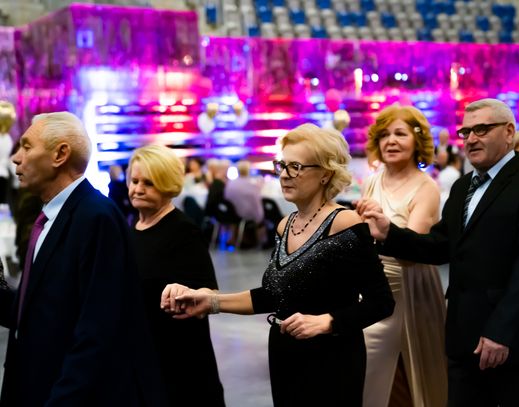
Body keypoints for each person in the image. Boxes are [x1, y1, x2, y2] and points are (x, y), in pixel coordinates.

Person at [162, 123, 395, 407]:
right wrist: (210, 302)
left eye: (295, 167)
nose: (284, 174)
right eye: (282, 165)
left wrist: (327, 322)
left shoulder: (346, 224)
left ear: (325, 174)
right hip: (285, 352)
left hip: (331, 358)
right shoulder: (286, 225)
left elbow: (381, 302)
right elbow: (273, 295)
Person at [358, 98, 519, 406]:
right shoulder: (463, 186)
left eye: (482, 129)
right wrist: (389, 233)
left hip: (512, 340)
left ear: (509, 132)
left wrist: (500, 332)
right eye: (466, 132)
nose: (471, 139)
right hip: (462, 336)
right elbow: (440, 246)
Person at [4, 112, 166, 406]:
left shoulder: (96, 217)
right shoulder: (51, 217)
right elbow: (40, 309)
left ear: (60, 154)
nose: (16, 158)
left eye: (26, 147)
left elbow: (98, 328)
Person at [361, 105, 447, 407]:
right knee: (368, 369)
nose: (391, 141)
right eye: (384, 135)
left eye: (400, 133)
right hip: (371, 286)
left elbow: (412, 252)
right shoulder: (372, 181)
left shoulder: (426, 188)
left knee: (406, 378)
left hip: (409, 288)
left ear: (417, 140)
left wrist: (382, 230)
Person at [127, 145, 225, 406]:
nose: (138, 189)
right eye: (135, 181)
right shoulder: (133, 227)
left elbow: (210, 293)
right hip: (146, 359)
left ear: (167, 185)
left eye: (149, 183)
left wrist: (188, 292)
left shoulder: (183, 231)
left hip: (181, 366)